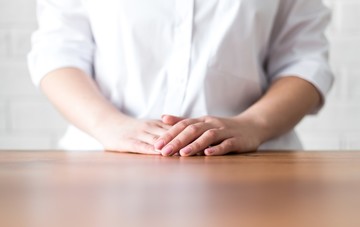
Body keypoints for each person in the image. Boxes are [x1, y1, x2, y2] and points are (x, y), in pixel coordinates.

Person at [28, 0, 333, 156]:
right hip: (101, 162)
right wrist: (110, 126)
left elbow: (304, 61)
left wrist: (253, 125)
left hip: (255, 164)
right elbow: (58, 52)